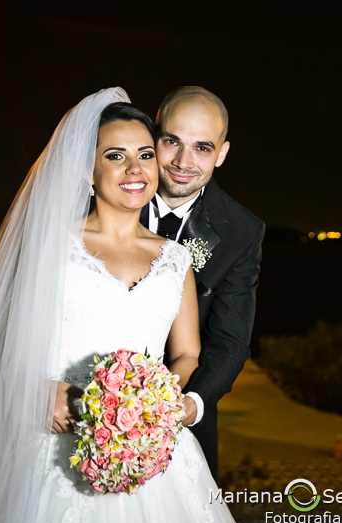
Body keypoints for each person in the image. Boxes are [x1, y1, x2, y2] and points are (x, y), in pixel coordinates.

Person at [0, 88, 239, 523]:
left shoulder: (176, 259)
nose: (134, 169)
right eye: (115, 156)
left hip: (149, 449)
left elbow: (187, 355)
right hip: (46, 448)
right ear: (87, 169)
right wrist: (35, 390)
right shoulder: (49, 248)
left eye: (144, 154)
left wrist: (153, 404)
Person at [139, 87, 264, 479]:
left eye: (202, 148)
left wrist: (190, 403)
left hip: (182, 416)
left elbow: (229, 341)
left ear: (222, 154)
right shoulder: (97, 203)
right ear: (152, 139)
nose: (182, 162)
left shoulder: (242, 231)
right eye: (171, 142)